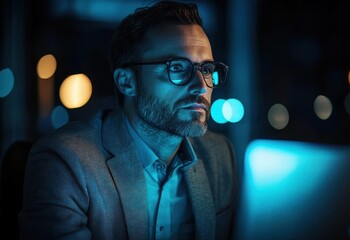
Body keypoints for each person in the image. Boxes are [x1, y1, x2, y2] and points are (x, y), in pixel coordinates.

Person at [19, 1, 239, 239]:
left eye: (206, 69)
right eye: (177, 67)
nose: (200, 86)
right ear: (127, 82)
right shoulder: (66, 160)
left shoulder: (220, 155)